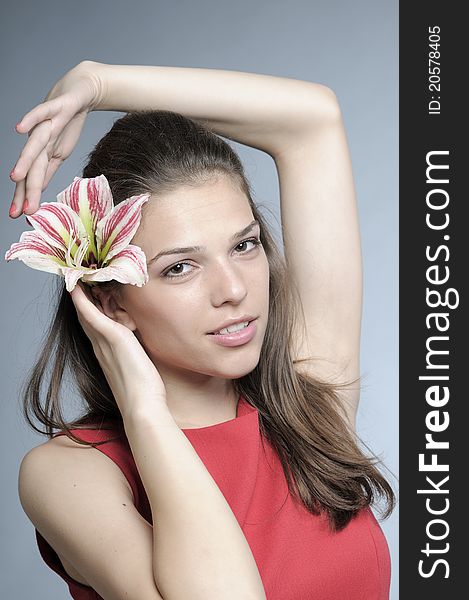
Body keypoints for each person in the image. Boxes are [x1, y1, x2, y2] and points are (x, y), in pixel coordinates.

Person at [10, 60, 396, 599]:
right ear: (109, 298)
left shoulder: (308, 408)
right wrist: (144, 410)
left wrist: (98, 84)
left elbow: (312, 121)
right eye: (180, 267)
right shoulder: (71, 475)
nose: (233, 289)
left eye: (244, 244)